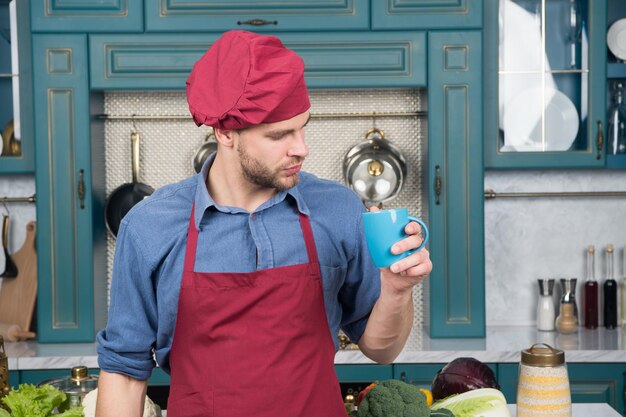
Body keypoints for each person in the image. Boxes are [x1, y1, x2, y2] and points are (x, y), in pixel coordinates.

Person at [95, 30, 432, 417]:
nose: (301, 147)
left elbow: (381, 348)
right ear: (224, 133)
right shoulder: (151, 225)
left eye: (303, 126)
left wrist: (397, 291)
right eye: (279, 135)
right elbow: (124, 371)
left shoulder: (337, 209)